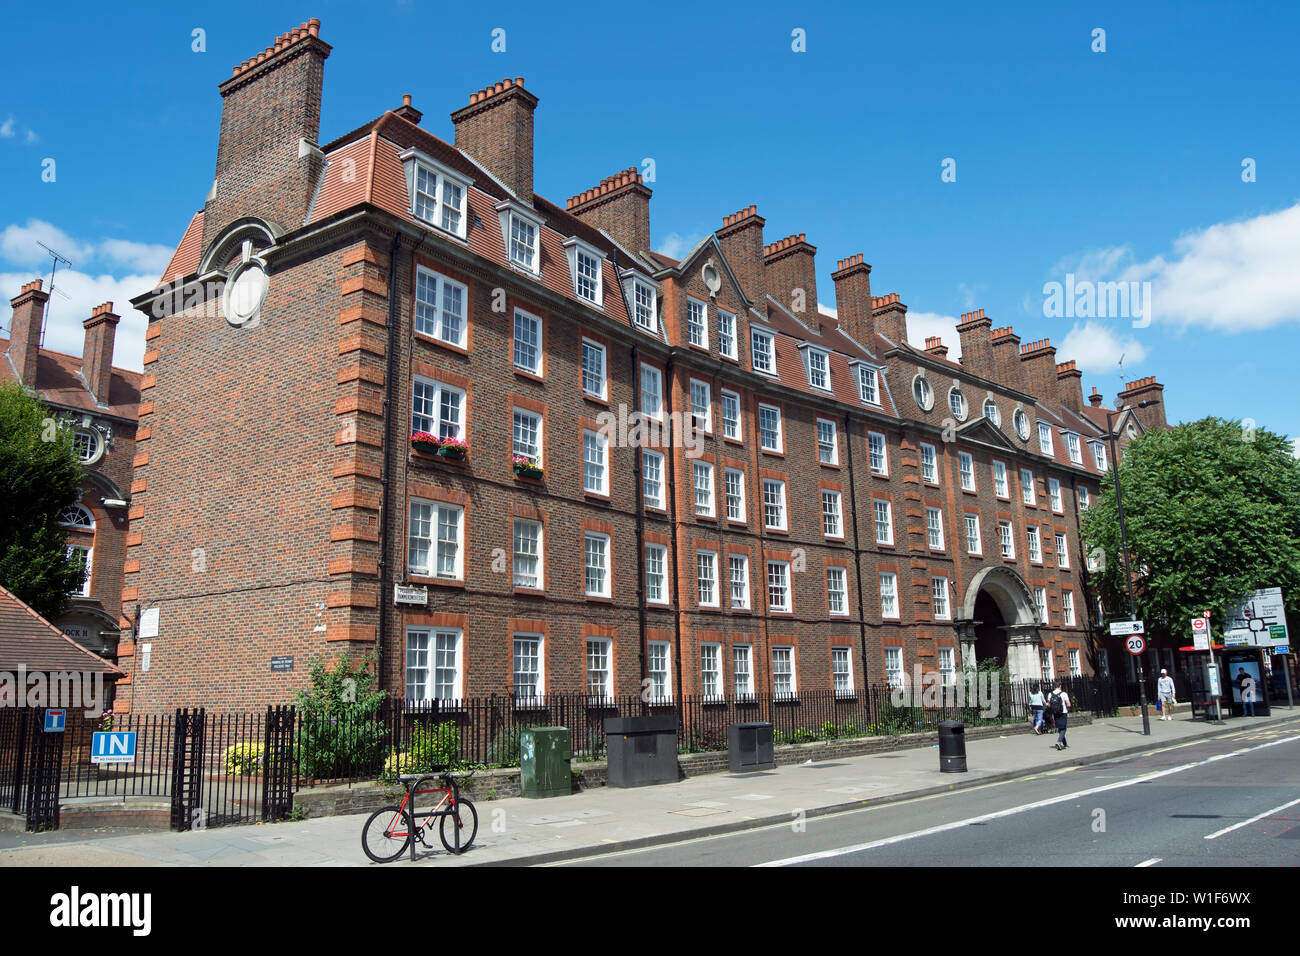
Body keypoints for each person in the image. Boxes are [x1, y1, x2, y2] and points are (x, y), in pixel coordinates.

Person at [1049, 682, 1070, 750]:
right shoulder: (1063, 694)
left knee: (1060, 728)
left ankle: (1065, 743)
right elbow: (1068, 704)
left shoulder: (1050, 694)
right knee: (1063, 728)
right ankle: (1059, 742)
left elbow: (1049, 704)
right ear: (1060, 686)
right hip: (1063, 712)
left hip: (1055, 713)